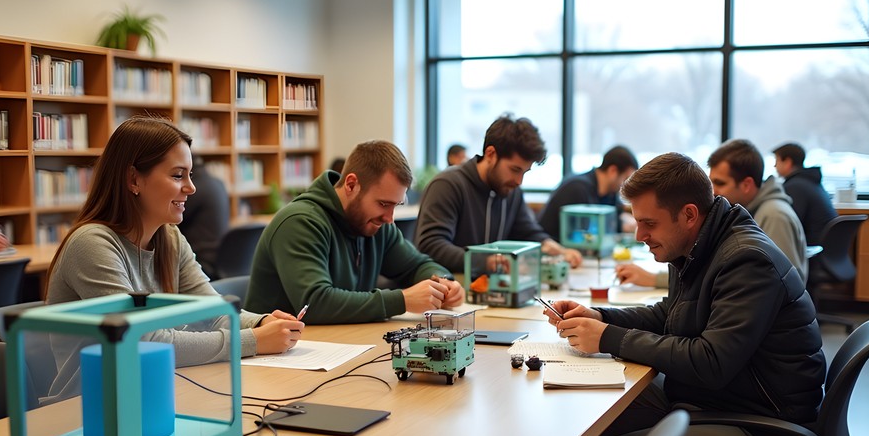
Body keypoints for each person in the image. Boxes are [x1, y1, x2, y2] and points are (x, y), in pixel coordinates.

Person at [544, 152, 825, 436]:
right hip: (734, 402)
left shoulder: (744, 260)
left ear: (689, 214)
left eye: (649, 224)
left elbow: (711, 361)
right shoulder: (699, 245)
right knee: (596, 425)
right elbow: (671, 317)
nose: (640, 236)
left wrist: (609, 337)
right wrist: (602, 316)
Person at [45, 117, 303, 402]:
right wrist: (252, 341)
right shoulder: (91, 244)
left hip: (152, 393)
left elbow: (212, 312)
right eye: (178, 175)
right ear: (133, 180)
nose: (191, 187)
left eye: (190, 175)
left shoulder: (169, 237)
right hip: (87, 409)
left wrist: (261, 323)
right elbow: (143, 341)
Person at [245, 139, 465, 325]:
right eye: (382, 204)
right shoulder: (300, 223)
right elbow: (316, 303)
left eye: (395, 205)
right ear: (351, 185)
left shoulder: (376, 225)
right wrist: (402, 300)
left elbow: (417, 265)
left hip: (333, 347)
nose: (389, 218)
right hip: (278, 361)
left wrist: (443, 284)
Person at [617, 139, 808, 286]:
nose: (713, 191)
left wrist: (653, 279)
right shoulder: (740, 216)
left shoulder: (774, 215)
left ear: (747, 184)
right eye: (711, 182)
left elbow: (779, 285)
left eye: (720, 183)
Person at [414, 114, 583, 274]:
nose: (519, 181)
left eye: (525, 172)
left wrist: (555, 248)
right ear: (491, 154)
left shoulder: (511, 191)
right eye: (515, 169)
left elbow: (527, 232)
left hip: (493, 292)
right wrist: (488, 261)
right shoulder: (448, 185)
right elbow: (431, 246)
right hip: (449, 294)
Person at [538, 145, 639, 240]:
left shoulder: (610, 194)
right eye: (626, 179)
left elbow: (617, 216)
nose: (626, 185)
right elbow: (584, 233)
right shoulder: (577, 188)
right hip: (555, 247)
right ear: (612, 171)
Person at [772, 142, 837, 246]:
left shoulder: (795, 186)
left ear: (788, 162)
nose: (774, 165)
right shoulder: (811, 181)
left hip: (813, 249)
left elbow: (790, 225)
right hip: (828, 247)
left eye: (777, 161)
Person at [177, 157, 231, 279]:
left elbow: (172, 220)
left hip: (202, 259)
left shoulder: (196, 189)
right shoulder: (218, 183)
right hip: (219, 256)